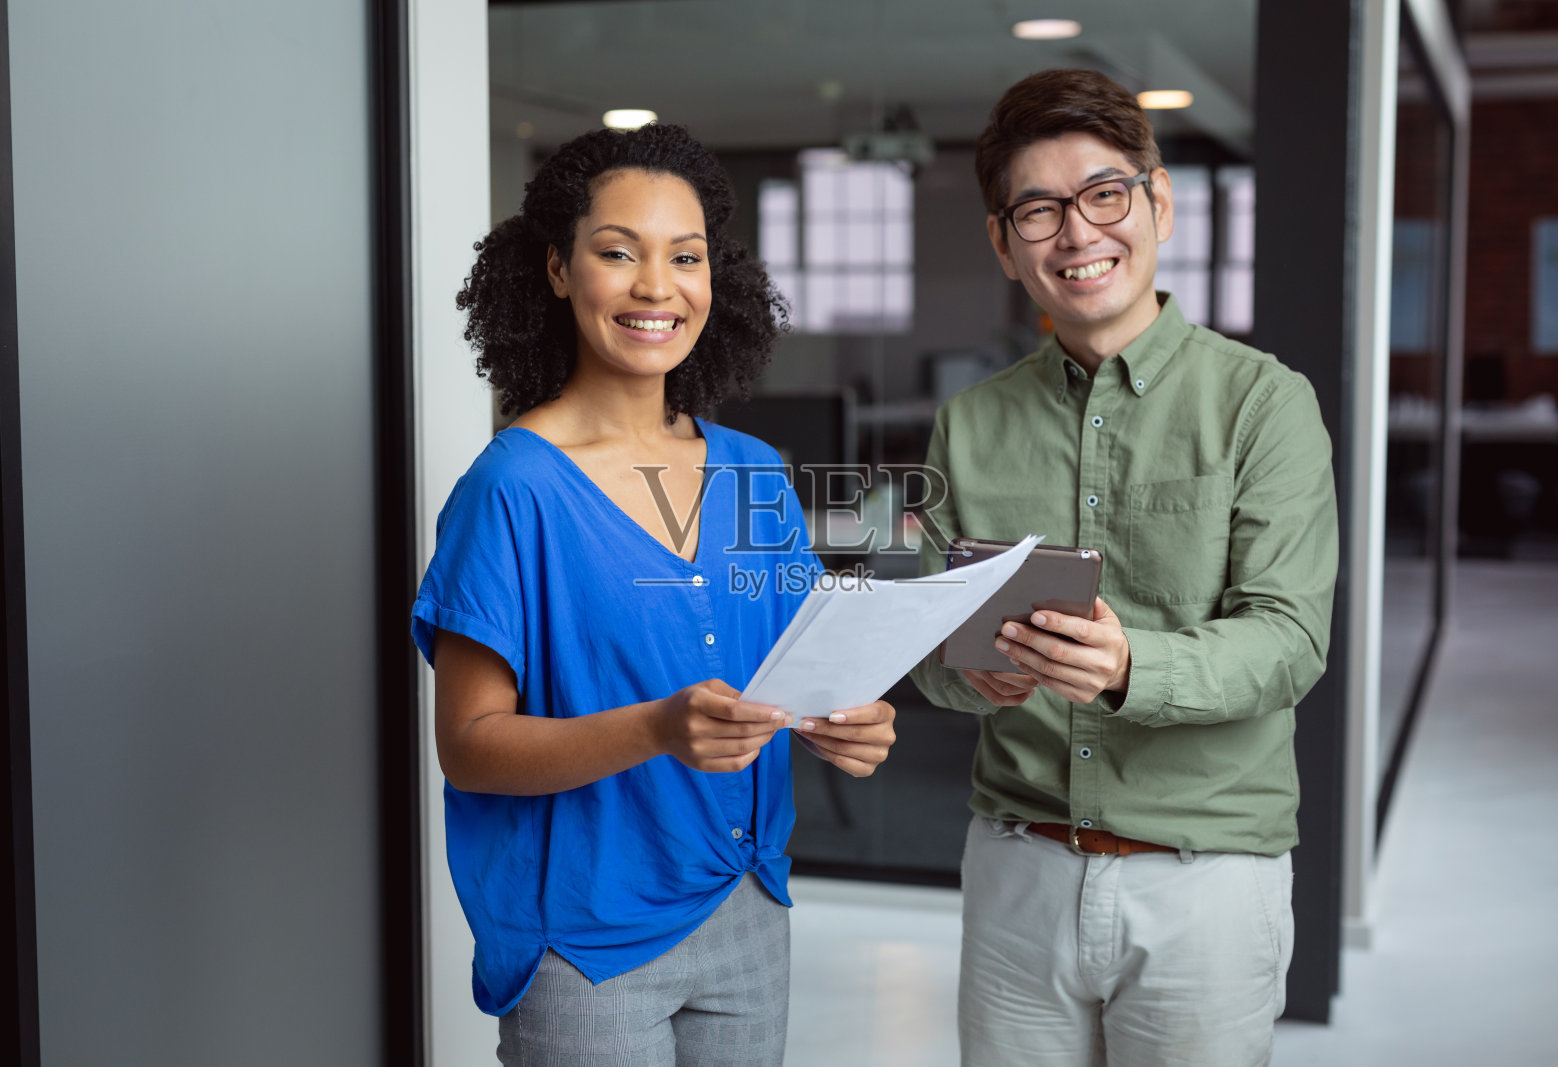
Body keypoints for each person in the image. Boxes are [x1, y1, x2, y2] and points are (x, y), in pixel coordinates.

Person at [412, 122, 897, 1067]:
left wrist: (853, 719)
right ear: (558, 271)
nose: (655, 286)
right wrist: (657, 728)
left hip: (747, 905)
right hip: (588, 942)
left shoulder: (756, 474)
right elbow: (469, 749)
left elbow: (796, 671)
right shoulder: (512, 489)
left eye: (686, 256)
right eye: (617, 252)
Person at [909, 69, 1337, 1066]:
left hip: (1204, 879)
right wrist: (967, 671)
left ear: (1158, 203)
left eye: (1104, 194)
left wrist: (1127, 663)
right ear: (1002, 242)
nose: (1077, 232)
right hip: (1016, 869)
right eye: (1038, 209)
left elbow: (1288, 640)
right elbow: (924, 639)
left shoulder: (1263, 405)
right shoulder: (967, 425)